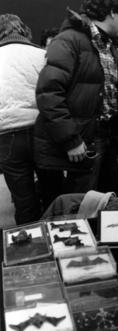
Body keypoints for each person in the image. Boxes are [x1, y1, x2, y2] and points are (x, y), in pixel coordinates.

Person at [34, 0, 118, 210]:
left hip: (103, 138)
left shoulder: (109, 45)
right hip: (79, 144)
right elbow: (48, 93)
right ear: (111, 12)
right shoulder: (69, 41)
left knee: (107, 202)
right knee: (77, 209)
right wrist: (71, 140)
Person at [0, 14, 46, 224]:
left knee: (23, 201)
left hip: (7, 136)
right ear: (24, 31)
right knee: (52, 193)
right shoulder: (42, 55)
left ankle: (30, 251)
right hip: (43, 134)